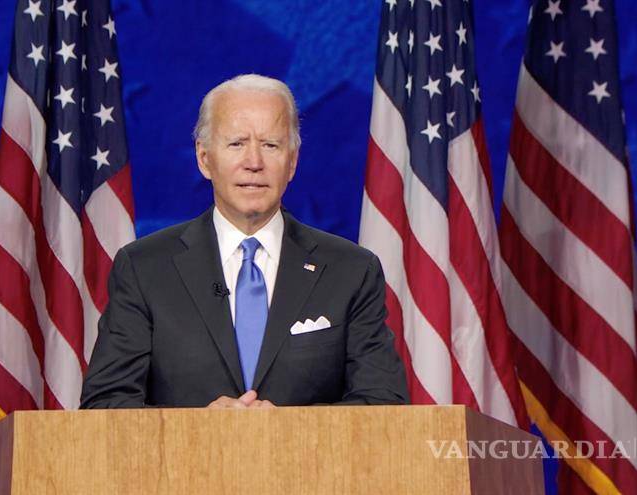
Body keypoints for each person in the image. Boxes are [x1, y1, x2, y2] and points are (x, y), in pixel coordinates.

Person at [80, 74, 408, 409]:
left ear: (292, 161)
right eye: (237, 144)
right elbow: (105, 404)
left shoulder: (351, 270)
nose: (254, 163)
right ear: (204, 158)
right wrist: (196, 429)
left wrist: (290, 429)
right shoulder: (144, 268)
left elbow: (383, 401)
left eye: (271, 145)